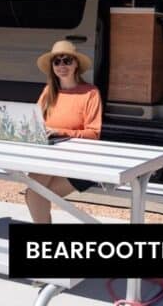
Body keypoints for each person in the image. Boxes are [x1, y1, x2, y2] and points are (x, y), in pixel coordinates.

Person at [25, 40, 102, 223]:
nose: (62, 65)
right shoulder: (48, 92)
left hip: (80, 162)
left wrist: (60, 132)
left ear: (76, 64)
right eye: (57, 61)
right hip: (50, 157)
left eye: (67, 60)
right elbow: (34, 123)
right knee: (35, 193)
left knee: (34, 193)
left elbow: (94, 134)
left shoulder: (90, 93)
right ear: (52, 67)